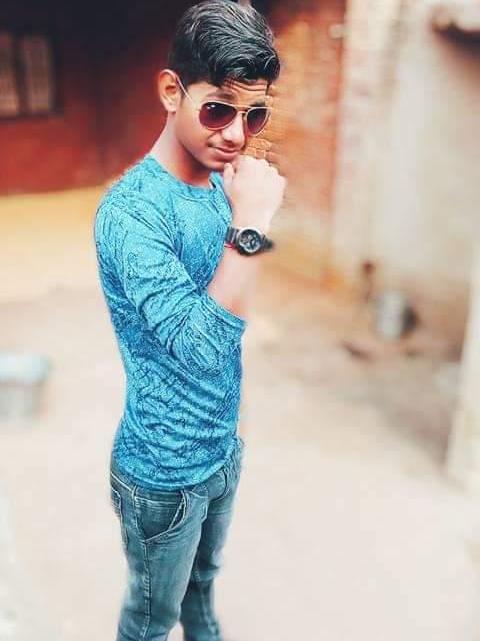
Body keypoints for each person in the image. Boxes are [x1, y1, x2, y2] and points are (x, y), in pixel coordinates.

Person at [94, 1, 285, 639]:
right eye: (218, 109)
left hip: (222, 451)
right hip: (162, 475)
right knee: (150, 621)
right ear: (171, 92)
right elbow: (200, 346)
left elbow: (230, 314)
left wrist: (241, 216)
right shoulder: (131, 213)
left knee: (203, 591)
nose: (237, 134)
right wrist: (251, 225)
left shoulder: (220, 187)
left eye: (254, 115)